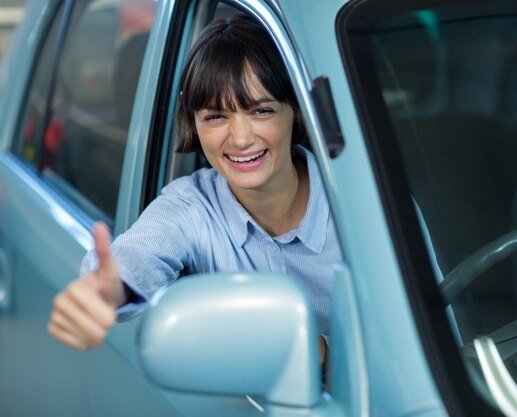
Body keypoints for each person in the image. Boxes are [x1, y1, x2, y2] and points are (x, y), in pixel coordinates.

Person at [47, 14, 341, 367]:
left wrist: (324, 354)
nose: (242, 138)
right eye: (216, 116)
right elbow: (140, 255)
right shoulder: (190, 207)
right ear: (194, 122)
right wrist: (107, 289)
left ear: (294, 110)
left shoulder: (367, 210)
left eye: (261, 111)